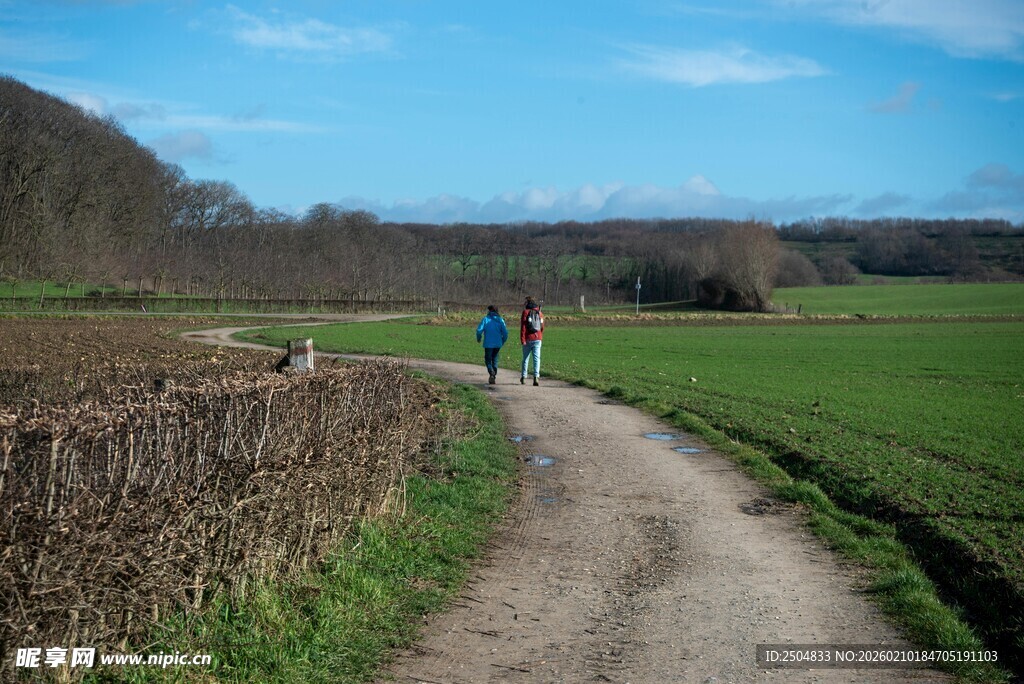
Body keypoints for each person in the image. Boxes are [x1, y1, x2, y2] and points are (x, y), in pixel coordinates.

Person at [476, 304, 508, 384]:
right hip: (497, 344)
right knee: (495, 359)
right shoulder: (500, 320)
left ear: (489, 311)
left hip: (488, 344)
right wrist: (503, 341)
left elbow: (479, 330)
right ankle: (494, 374)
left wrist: (479, 338)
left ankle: (491, 372)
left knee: (488, 360)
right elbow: (505, 333)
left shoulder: (485, 319)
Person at [519, 296, 544, 386]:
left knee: (525, 359)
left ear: (527, 303)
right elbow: (542, 327)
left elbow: (523, 327)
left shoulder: (525, 312)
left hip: (528, 338)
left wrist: (522, 339)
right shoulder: (539, 313)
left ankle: (523, 377)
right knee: (536, 359)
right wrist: (540, 336)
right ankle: (536, 377)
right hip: (538, 338)